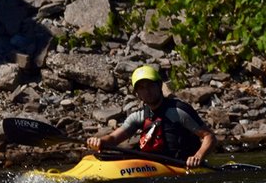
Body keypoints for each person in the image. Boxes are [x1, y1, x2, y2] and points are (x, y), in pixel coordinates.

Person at [86, 64, 217, 168]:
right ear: (137, 93)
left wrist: (198, 157)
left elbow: (209, 136)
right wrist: (99, 141)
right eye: (141, 88)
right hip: (151, 166)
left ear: (159, 86)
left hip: (181, 166)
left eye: (150, 85)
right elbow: (114, 138)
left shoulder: (178, 111)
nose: (147, 91)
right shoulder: (138, 116)